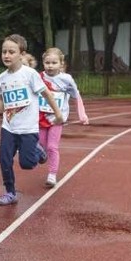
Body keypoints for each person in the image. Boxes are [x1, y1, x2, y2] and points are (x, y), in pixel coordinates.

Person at [0, 34, 64, 205]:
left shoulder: (29, 74)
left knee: (27, 164)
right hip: (8, 127)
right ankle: (11, 192)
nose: (6, 55)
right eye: (4, 52)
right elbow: (3, 102)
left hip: (28, 128)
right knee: (4, 160)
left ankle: (38, 151)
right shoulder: (2, 78)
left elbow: (47, 94)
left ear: (21, 54)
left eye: (11, 52)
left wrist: (58, 114)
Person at [39, 48, 88, 188]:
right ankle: (42, 157)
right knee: (41, 145)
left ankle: (52, 175)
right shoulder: (38, 77)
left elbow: (76, 95)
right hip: (41, 118)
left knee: (52, 147)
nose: (50, 65)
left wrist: (82, 115)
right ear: (43, 63)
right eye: (47, 62)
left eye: (54, 62)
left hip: (57, 119)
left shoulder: (66, 79)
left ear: (61, 64)